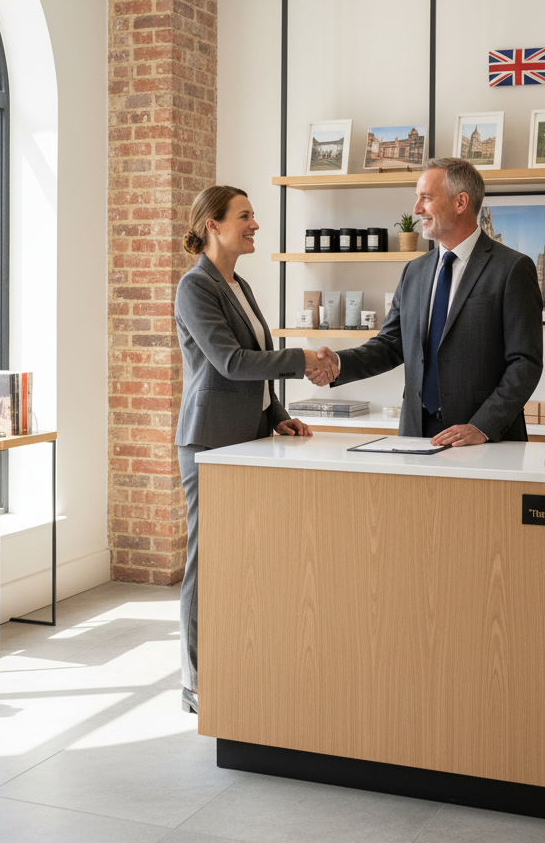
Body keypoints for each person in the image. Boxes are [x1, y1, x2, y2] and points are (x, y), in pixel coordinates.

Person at [174, 184, 337, 714]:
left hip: (248, 437)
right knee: (209, 560)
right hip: (208, 439)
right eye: (245, 216)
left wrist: (279, 416)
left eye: (254, 215)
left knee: (245, 558)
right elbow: (230, 363)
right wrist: (301, 359)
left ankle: (242, 662)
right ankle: (197, 681)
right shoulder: (195, 287)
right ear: (212, 225)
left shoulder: (238, 284)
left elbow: (253, 363)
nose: (255, 225)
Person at [308, 157, 542, 446]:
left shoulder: (512, 268)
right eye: (417, 198)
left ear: (461, 202)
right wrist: (339, 363)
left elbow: (525, 363)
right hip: (415, 433)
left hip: (483, 438)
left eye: (426, 198)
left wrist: (482, 427)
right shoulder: (415, 271)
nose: (417, 209)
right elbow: (390, 345)